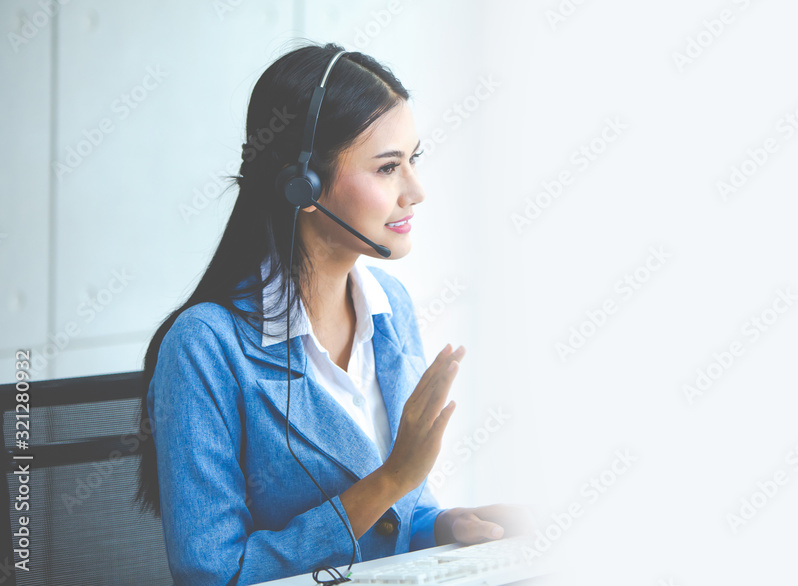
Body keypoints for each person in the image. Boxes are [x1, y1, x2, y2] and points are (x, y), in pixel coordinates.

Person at [134, 42, 534, 585]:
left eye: (412, 160)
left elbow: (398, 519)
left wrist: (445, 526)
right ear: (303, 186)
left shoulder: (389, 306)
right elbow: (217, 575)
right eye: (388, 167)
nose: (416, 191)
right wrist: (391, 479)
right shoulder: (205, 346)